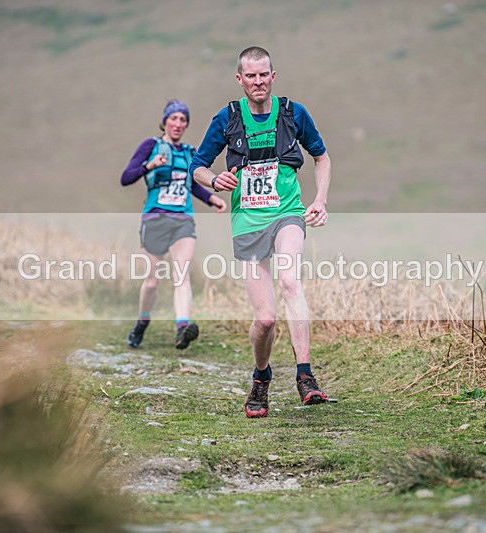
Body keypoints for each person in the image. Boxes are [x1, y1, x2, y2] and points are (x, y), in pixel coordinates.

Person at [190, 46, 332, 417]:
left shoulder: (293, 113)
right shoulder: (227, 119)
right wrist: (213, 179)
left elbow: (322, 157)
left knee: (290, 281)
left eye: (263, 74)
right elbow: (198, 166)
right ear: (240, 79)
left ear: (273, 76)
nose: (258, 81)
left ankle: (305, 375)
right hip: (247, 222)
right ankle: (261, 376)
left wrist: (320, 199)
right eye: (250, 76)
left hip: (287, 213)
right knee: (266, 318)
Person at [121, 100, 227, 350]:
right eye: (174, 118)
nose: (178, 124)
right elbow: (126, 177)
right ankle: (142, 323)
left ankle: (182, 328)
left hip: (182, 221)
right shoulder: (151, 146)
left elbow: (192, 185)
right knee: (151, 282)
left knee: (182, 275)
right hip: (155, 218)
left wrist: (212, 198)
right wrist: (150, 165)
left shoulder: (189, 152)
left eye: (183, 120)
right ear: (165, 121)